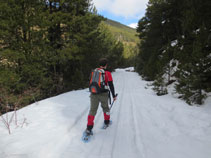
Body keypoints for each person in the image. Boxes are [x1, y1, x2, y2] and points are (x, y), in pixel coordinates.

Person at [86, 58, 117, 135]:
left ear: (99, 64)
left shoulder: (94, 71)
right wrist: (113, 95)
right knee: (105, 108)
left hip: (93, 93)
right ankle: (106, 122)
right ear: (106, 65)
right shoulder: (107, 73)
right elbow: (111, 85)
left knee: (92, 110)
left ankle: (89, 128)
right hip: (103, 94)